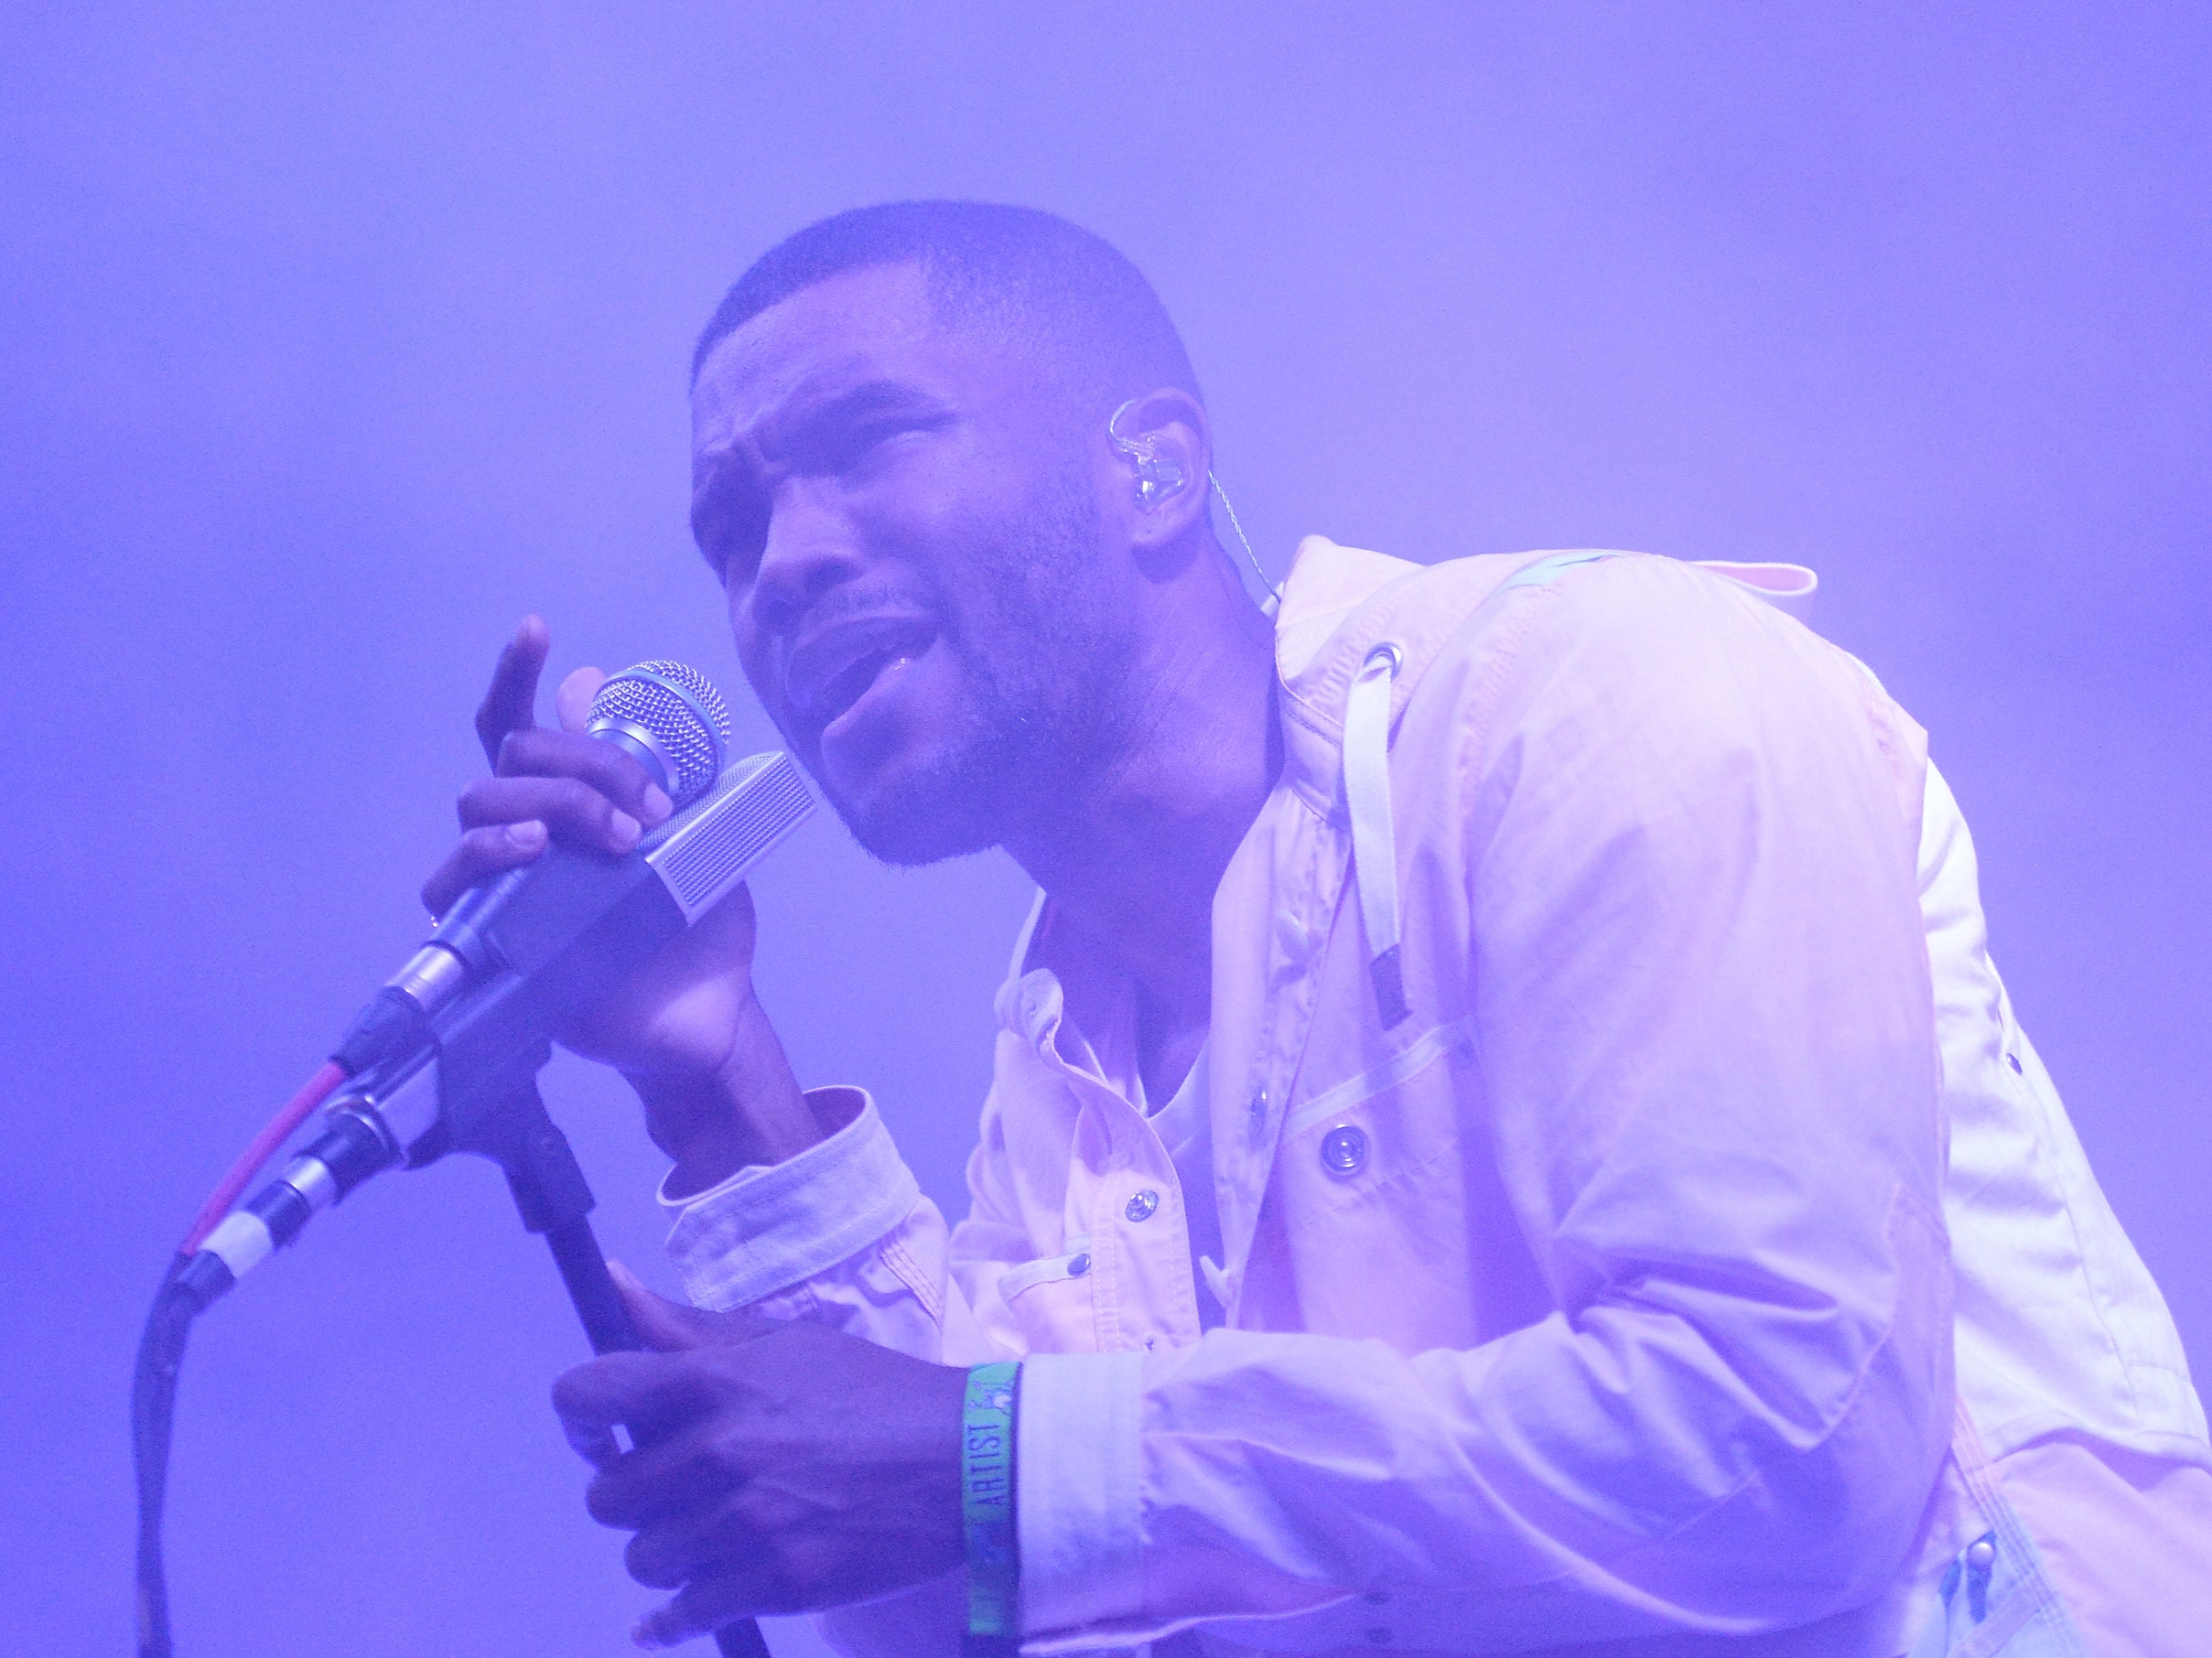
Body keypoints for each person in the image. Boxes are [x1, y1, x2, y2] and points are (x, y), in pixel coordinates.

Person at [422, 203, 2209, 1657]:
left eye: (864, 446)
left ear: (1151, 470)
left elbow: (1783, 1449)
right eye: (731, 530)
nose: (784, 563)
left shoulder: (1596, 703)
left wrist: (1001, 1470)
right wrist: (708, 1068)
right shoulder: (1063, 1076)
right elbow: (992, 1588)